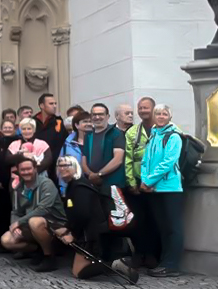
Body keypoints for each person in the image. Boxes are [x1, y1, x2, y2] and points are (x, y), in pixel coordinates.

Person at [53, 156, 138, 282]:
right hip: (90, 232)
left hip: (91, 235)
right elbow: (77, 214)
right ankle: (114, 263)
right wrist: (67, 228)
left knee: (79, 272)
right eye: (60, 166)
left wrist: (71, 234)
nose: (63, 168)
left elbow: (84, 214)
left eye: (67, 165)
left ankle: (116, 265)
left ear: (76, 167)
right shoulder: (74, 185)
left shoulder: (79, 187)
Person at [0, 158, 68, 272]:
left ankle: (49, 257)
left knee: (35, 221)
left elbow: (43, 209)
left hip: (55, 224)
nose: (26, 172)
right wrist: (15, 226)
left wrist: (19, 222)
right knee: (6, 240)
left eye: (29, 169)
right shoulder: (18, 188)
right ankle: (39, 250)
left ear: (35, 169)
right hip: (31, 224)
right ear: (19, 171)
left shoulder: (46, 183)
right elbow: (16, 212)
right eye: (23, 170)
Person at [141, 104, 185, 278]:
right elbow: (145, 160)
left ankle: (172, 264)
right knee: (163, 226)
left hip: (170, 188)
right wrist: (145, 180)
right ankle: (164, 262)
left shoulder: (174, 137)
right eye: (157, 113)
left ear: (169, 117)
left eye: (164, 114)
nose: (160, 116)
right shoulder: (153, 136)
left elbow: (168, 162)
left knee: (174, 227)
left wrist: (149, 180)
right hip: (154, 188)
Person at [124, 96, 160, 270]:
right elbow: (128, 158)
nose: (143, 111)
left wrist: (153, 181)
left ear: (153, 109)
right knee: (137, 220)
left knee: (155, 219)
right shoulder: (132, 132)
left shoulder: (164, 129)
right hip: (138, 183)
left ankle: (152, 255)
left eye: (146, 107)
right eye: (140, 108)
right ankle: (139, 253)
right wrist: (131, 182)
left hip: (158, 183)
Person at [82, 103, 126, 192]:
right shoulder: (88, 135)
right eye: (94, 114)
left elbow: (118, 159)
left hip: (112, 185)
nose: (97, 117)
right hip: (92, 185)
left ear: (107, 116)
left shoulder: (116, 133)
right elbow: (84, 159)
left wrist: (99, 174)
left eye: (101, 114)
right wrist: (91, 175)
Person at [7, 118, 52, 187]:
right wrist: (22, 156)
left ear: (34, 130)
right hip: (17, 180)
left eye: (29, 129)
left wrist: (32, 173)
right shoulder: (14, 144)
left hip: (39, 179)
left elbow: (48, 160)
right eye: (24, 129)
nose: (26, 131)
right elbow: (8, 159)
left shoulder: (42, 144)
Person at [33, 93, 67, 180]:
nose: (54, 106)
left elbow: (62, 143)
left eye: (55, 103)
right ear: (42, 105)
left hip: (54, 166)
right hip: (36, 165)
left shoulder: (58, 122)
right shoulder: (32, 122)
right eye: (51, 104)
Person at [57, 111, 92, 194]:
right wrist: (63, 188)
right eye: (85, 121)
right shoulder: (67, 144)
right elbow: (62, 168)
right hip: (75, 186)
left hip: (94, 184)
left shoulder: (98, 141)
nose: (89, 124)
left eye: (90, 121)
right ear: (76, 125)